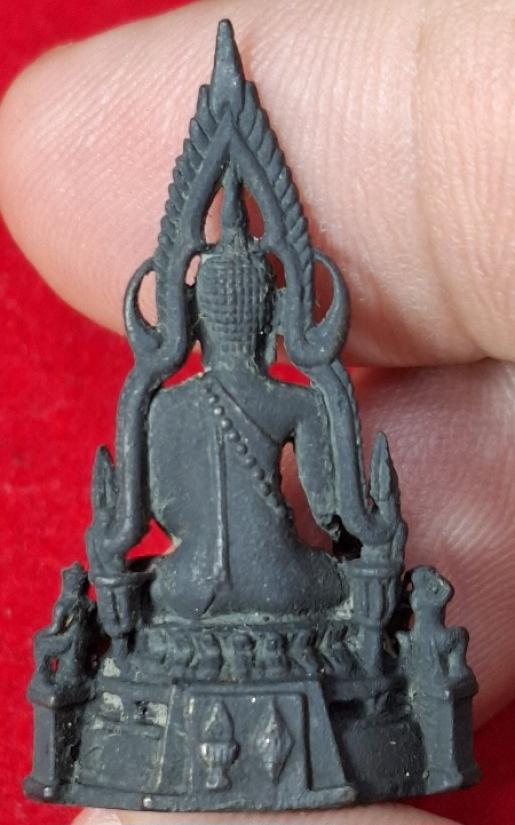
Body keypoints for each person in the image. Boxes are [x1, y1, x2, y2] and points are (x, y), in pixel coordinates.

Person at [1, 1, 515, 823]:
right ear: (275, 314)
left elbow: (129, 530)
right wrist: (366, 506)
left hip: (183, 602)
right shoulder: (297, 397)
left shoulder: (159, 401)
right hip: (285, 595)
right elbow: (346, 521)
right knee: (340, 587)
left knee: (150, 598)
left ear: (194, 317)